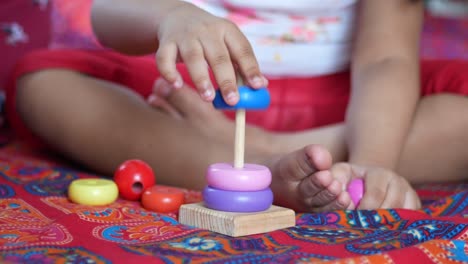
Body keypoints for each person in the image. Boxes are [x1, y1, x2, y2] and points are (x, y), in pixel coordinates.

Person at [5, 0, 468, 213]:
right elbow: (110, 14)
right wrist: (170, 15)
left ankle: (263, 153)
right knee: (44, 84)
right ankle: (270, 169)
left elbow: (386, 59)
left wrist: (373, 163)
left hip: (348, 102)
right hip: (193, 88)